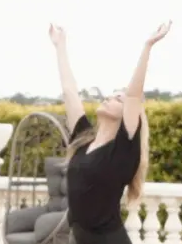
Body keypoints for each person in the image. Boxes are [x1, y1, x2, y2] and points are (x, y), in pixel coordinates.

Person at [51, 21, 170, 244]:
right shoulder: (84, 139)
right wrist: (60, 46)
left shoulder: (122, 151)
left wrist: (147, 46)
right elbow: (69, 92)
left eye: (118, 99)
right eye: (111, 95)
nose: (108, 98)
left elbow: (134, 96)